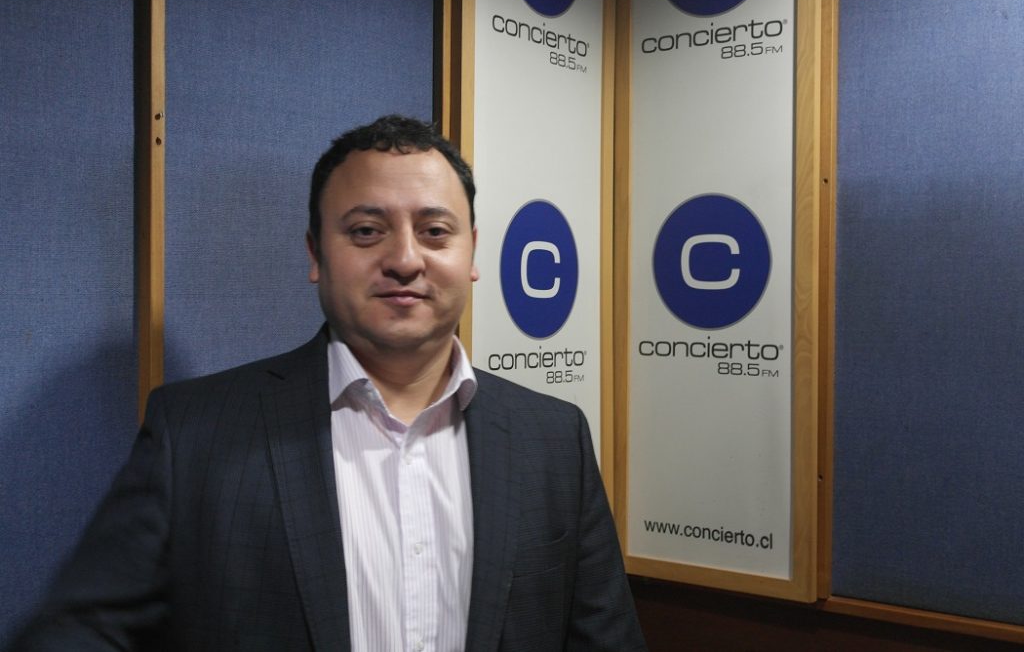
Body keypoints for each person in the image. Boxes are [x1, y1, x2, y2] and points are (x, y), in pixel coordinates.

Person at [11, 115, 646, 651]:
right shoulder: (195, 433)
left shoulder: (553, 438)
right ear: (316, 254)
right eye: (366, 231)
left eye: (435, 231)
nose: (405, 259)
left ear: (471, 253)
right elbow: (79, 632)